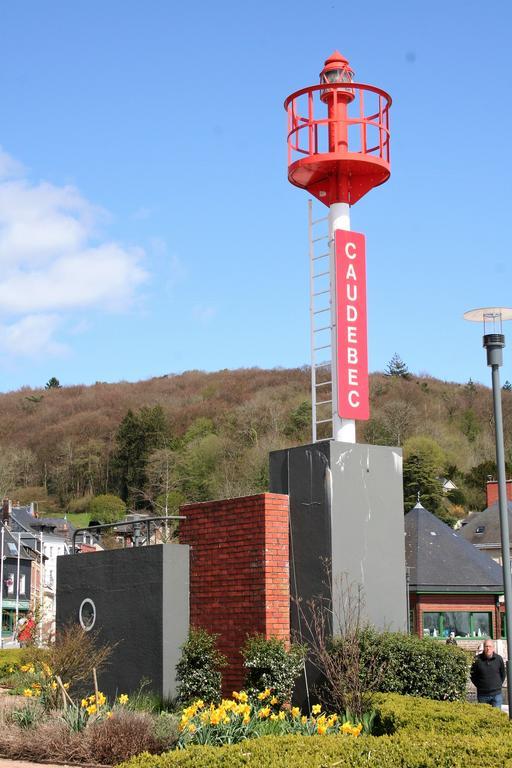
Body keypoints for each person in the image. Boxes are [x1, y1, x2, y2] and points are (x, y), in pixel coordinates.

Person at [470, 639, 506, 708]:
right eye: (486, 646)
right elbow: (472, 675)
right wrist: (479, 685)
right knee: (484, 716)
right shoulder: (477, 659)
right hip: (482, 695)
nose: (488, 648)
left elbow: (503, 674)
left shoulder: (499, 659)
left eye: (490, 646)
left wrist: (498, 685)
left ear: (493, 648)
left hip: (496, 695)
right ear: (483, 647)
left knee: (496, 716)